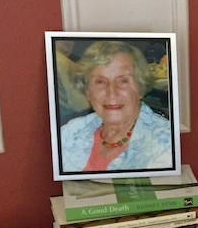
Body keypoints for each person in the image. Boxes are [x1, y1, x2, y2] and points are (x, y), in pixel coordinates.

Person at [60, 40, 173, 172]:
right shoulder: (71, 132)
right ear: (87, 91)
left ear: (140, 88)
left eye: (123, 81)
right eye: (100, 81)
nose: (111, 93)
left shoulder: (164, 142)